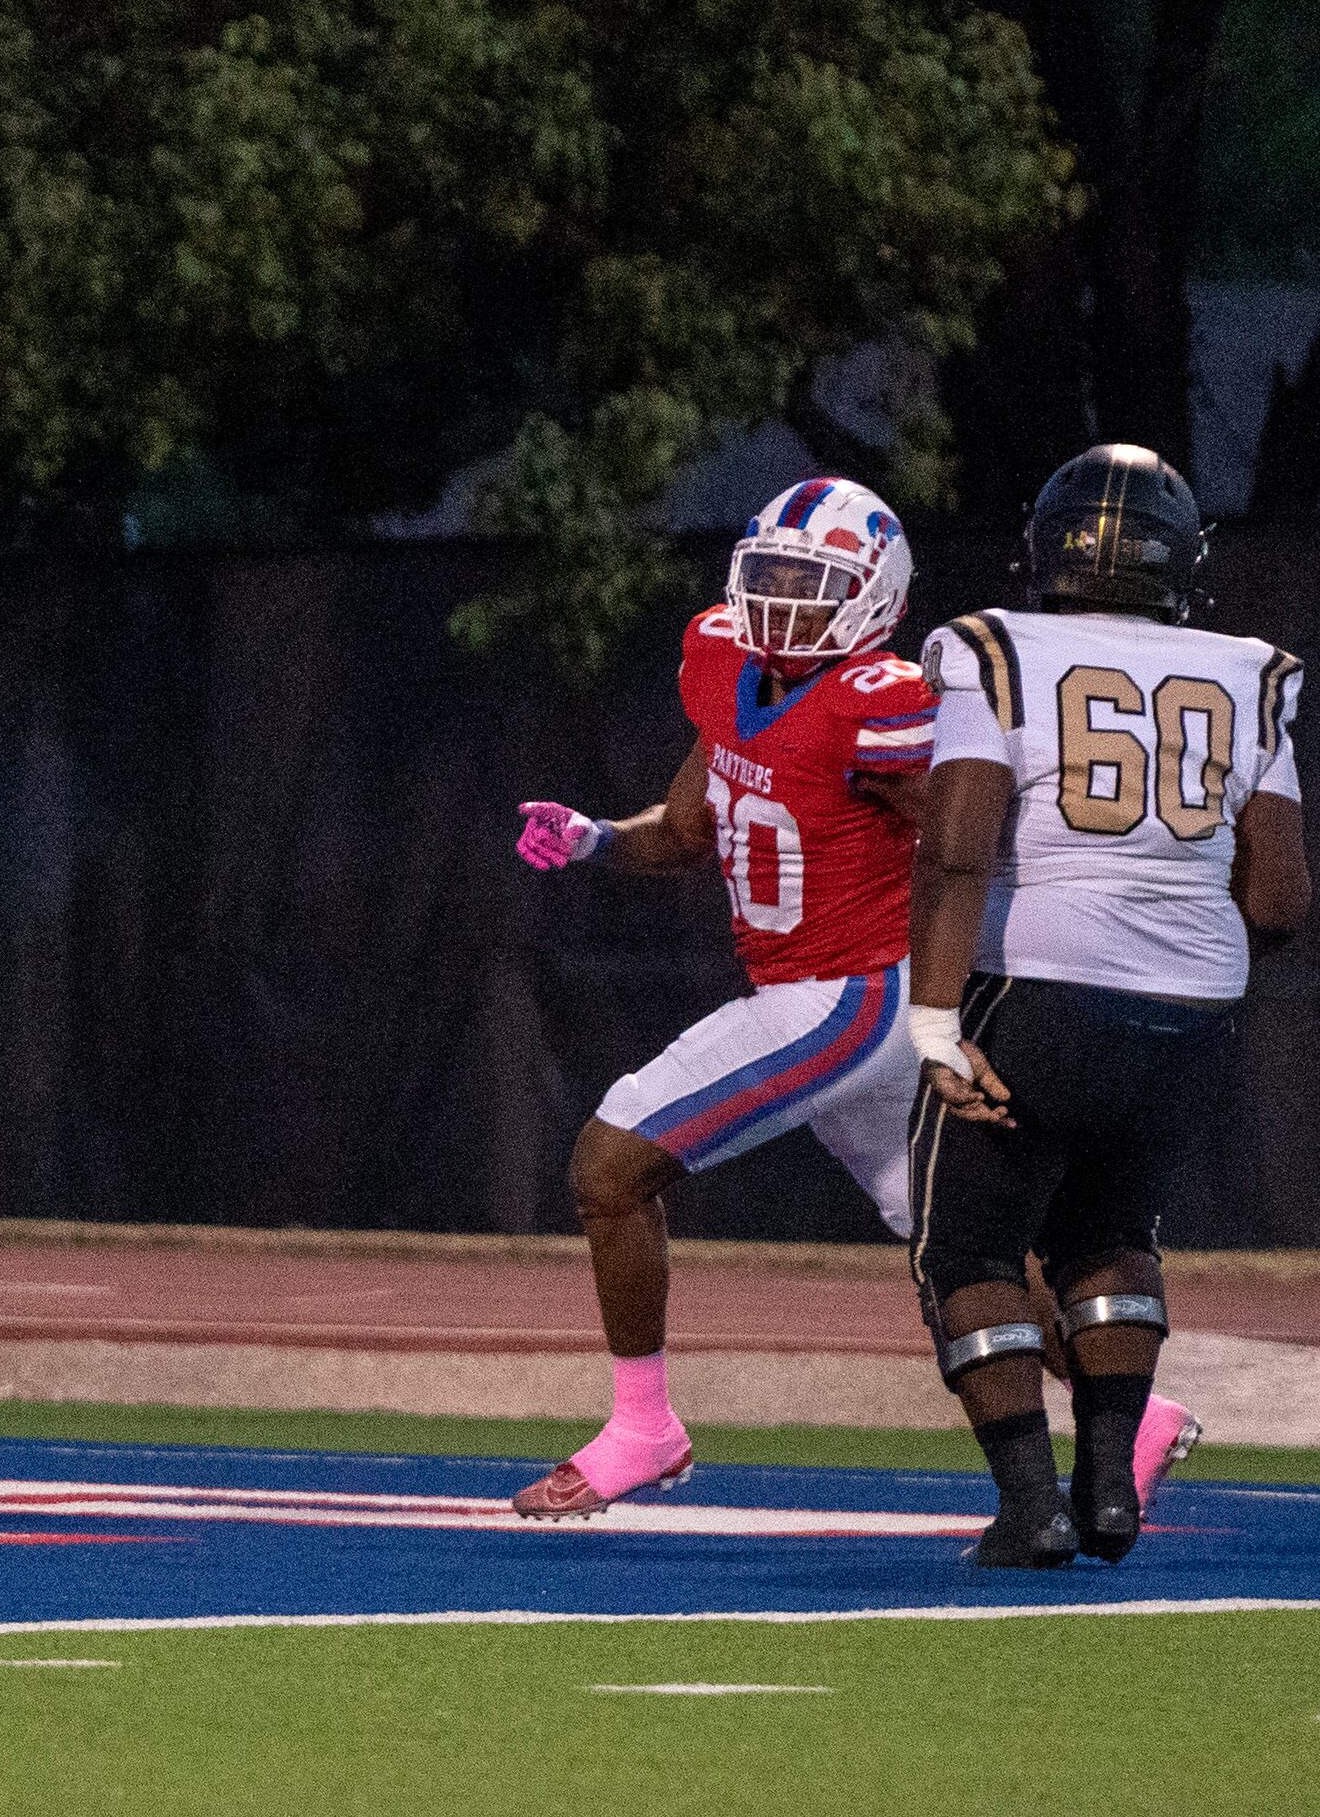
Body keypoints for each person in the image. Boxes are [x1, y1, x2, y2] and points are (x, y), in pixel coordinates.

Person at [508, 478, 938, 1517]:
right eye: (774, 578)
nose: (786, 604)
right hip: (824, 997)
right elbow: (697, 829)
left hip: (849, 994)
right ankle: (1137, 1409)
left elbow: (970, 847)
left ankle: (644, 1427)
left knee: (610, 1164)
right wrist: (601, 841)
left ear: (875, 595)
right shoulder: (722, 660)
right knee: (954, 1241)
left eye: (813, 584)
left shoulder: (883, 700)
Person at [907, 443, 1305, 1566]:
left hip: (1033, 988)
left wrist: (936, 1019)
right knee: (1111, 1238)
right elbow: (1279, 895)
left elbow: (955, 851)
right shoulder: (1250, 670)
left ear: (1046, 546)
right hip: (1192, 1002)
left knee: (970, 1254)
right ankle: (1111, 1494)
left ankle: (1030, 1508)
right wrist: (1172, 960)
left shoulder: (996, 648)